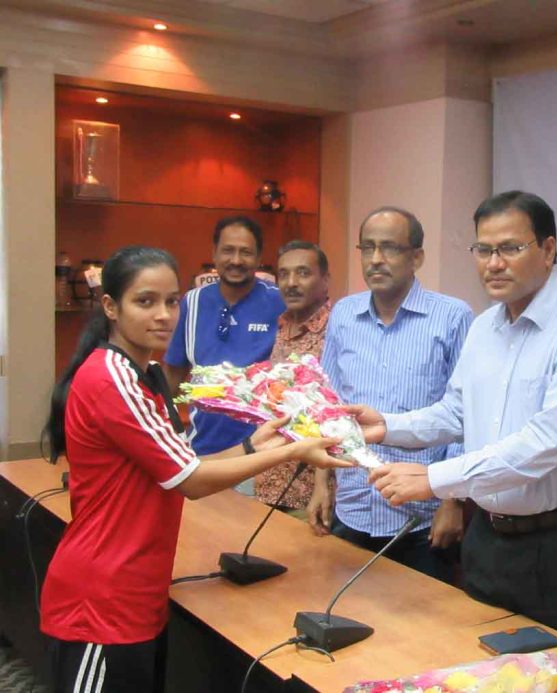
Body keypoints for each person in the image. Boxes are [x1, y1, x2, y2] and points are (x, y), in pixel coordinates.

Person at [39, 246, 351, 693]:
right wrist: (293, 451)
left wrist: (250, 443)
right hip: (101, 603)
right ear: (110, 306)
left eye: (171, 302)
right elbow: (191, 481)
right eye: (145, 302)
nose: (164, 315)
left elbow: (182, 464)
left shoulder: (139, 373)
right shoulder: (113, 377)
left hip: (134, 595)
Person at [362, 192, 557, 646]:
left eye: (510, 248)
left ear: (548, 250)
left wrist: (435, 479)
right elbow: (456, 411)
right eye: (483, 250)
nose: (493, 263)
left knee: (554, 672)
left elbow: (549, 441)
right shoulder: (485, 326)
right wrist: (387, 426)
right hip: (486, 535)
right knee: (476, 660)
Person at [309, 207, 473, 583]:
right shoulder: (344, 315)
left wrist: (453, 500)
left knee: (415, 633)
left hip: (422, 518)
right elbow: (327, 405)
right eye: (367, 248)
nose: (376, 259)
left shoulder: (452, 317)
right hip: (352, 506)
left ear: (417, 257)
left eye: (389, 248)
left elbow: (464, 416)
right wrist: (321, 483)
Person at [163, 216, 285, 495]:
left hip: (259, 457)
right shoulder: (191, 302)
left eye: (246, 252)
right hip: (202, 452)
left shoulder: (278, 302)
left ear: (259, 257)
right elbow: (173, 377)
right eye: (228, 250)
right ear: (214, 252)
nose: (236, 260)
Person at [255, 240, 332, 513]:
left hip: (310, 492)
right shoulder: (281, 325)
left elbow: (334, 413)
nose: (291, 282)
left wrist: (323, 487)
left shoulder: (337, 330)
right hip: (269, 480)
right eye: (284, 274)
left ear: (325, 280)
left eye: (303, 273)